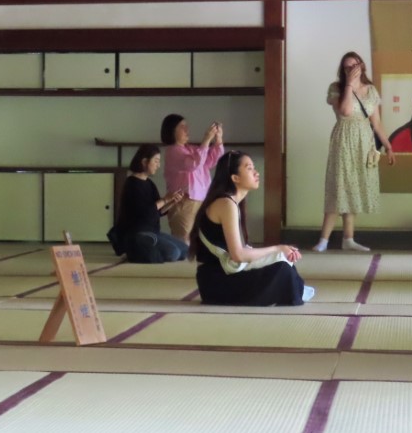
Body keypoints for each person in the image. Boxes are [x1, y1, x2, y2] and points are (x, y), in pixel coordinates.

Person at [192, 150, 312, 306]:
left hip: (221, 277)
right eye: (249, 168)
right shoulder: (226, 204)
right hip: (217, 282)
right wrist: (277, 248)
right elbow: (238, 255)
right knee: (282, 270)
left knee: (283, 266)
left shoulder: (231, 203)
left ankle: (295, 289)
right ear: (235, 178)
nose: (256, 173)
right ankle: (295, 289)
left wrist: (280, 251)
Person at [313, 51, 395, 253]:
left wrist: (388, 146)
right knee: (339, 186)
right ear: (343, 70)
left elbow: (376, 122)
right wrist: (349, 85)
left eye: (355, 65)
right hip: (343, 138)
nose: (352, 69)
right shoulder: (337, 88)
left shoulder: (371, 90)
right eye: (347, 67)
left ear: (362, 66)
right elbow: (346, 111)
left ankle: (348, 239)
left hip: (364, 140)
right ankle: (324, 239)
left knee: (354, 187)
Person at [114, 144, 189, 263]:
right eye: (156, 161)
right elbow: (145, 212)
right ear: (144, 162)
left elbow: (157, 212)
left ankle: (147, 249)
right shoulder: (131, 184)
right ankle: (135, 250)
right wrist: (165, 200)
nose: (158, 165)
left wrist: (172, 201)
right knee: (173, 253)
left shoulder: (149, 183)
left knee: (185, 250)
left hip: (153, 232)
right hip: (138, 232)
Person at [160, 114, 226, 244]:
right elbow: (193, 164)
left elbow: (212, 161)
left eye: (186, 125)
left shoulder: (191, 149)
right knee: (184, 240)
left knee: (199, 239)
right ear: (172, 130)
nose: (187, 129)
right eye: (182, 126)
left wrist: (218, 139)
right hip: (183, 201)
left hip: (201, 200)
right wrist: (206, 140)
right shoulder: (173, 151)